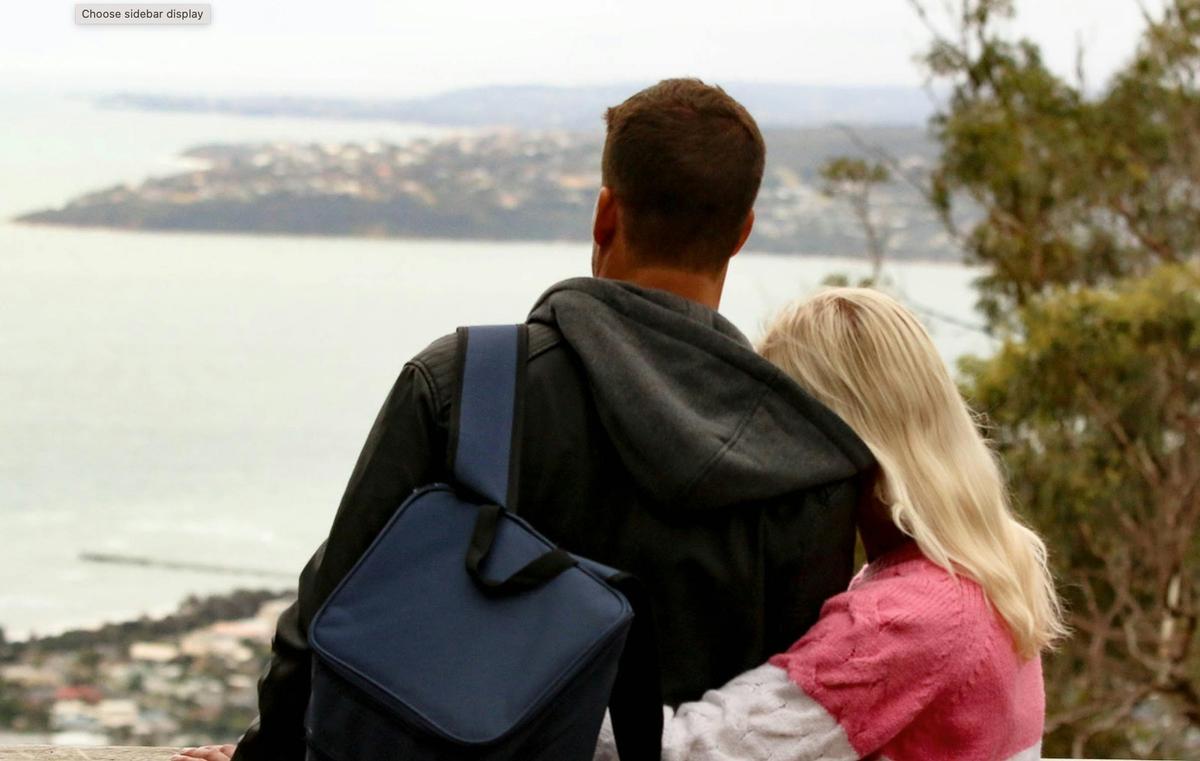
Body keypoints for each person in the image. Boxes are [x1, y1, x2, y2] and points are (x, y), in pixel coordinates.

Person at [173, 79, 876, 761]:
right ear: (741, 232)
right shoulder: (809, 456)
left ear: (606, 215)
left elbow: (331, 613)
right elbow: (795, 708)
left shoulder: (467, 382)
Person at [592, 288, 1065, 761]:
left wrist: (544, 682)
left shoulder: (909, 619)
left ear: (840, 435)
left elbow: (688, 753)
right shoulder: (984, 568)